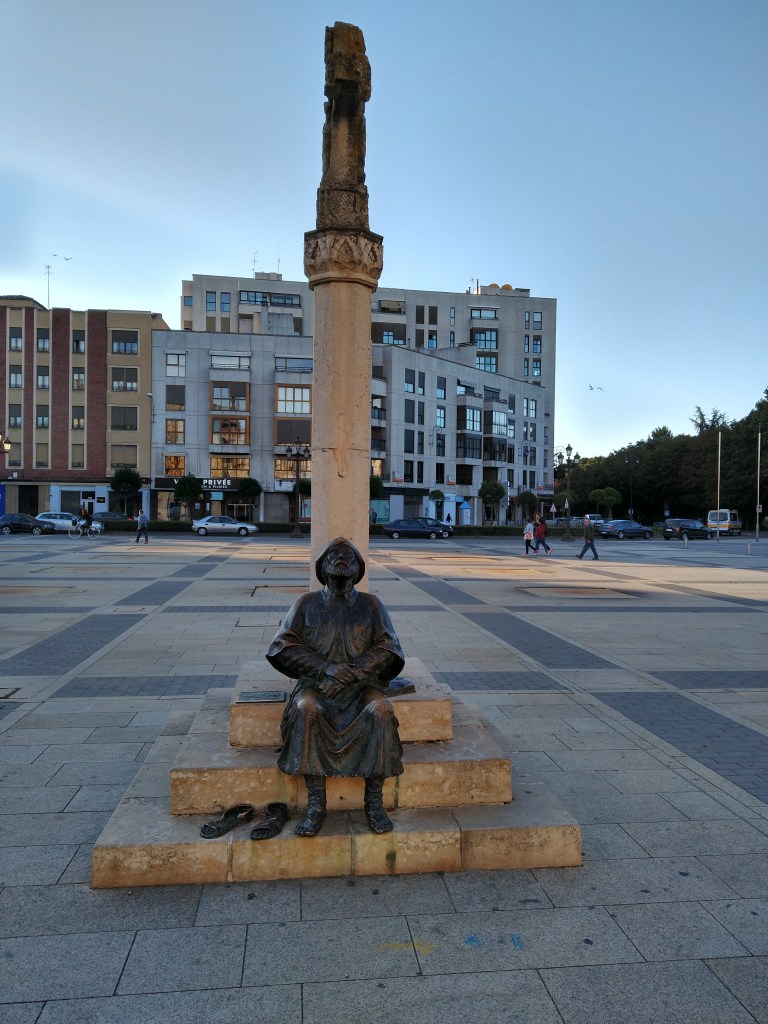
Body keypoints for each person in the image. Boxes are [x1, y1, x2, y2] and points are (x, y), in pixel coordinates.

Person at [266, 538, 405, 837]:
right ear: (322, 568)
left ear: (358, 569)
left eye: (348, 557)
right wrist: (325, 669)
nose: (341, 559)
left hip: (361, 686)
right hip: (317, 686)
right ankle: (316, 805)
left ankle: (374, 802)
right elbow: (282, 645)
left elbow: (389, 647)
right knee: (306, 709)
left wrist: (353, 672)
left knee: (381, 710)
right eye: (334, 555)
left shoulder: (371, 605)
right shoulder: (306, 603)